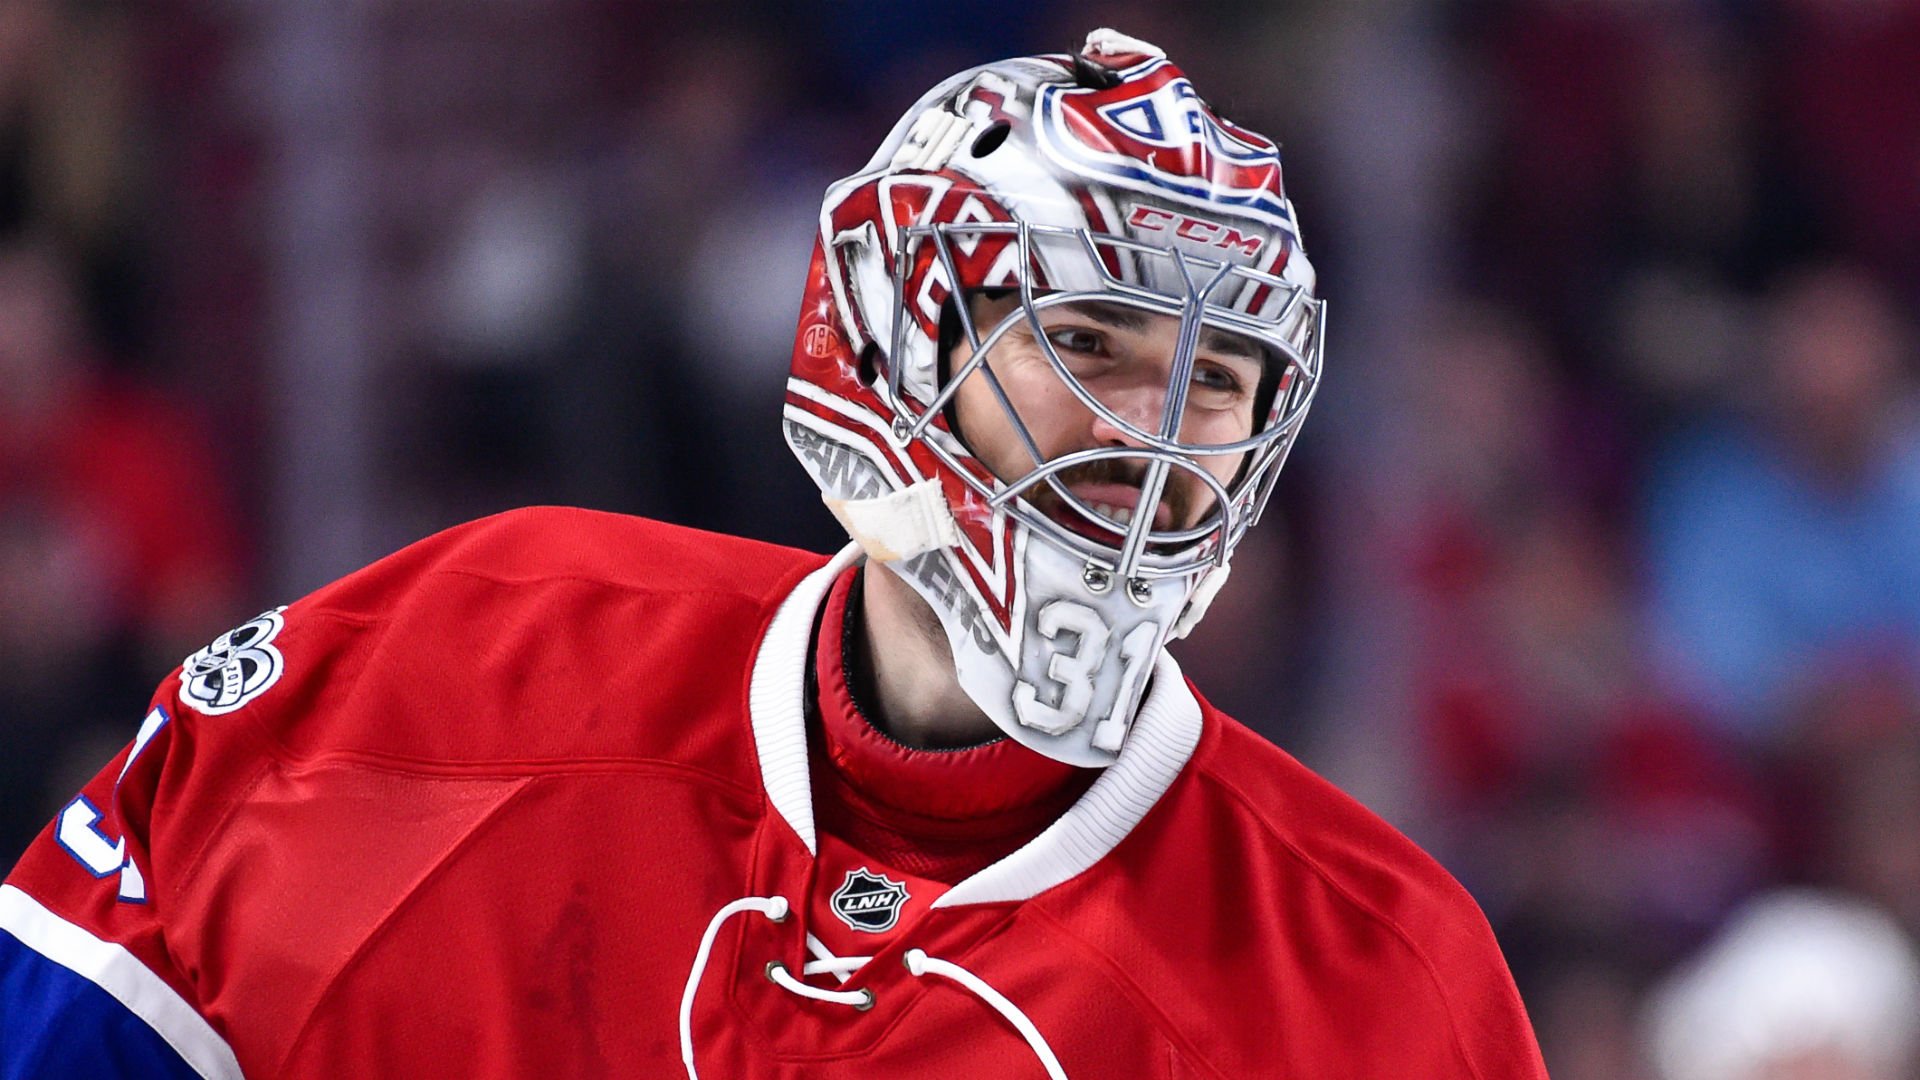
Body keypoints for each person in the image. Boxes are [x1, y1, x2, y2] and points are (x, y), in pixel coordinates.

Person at [0, 31, 1545, 1078]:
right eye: (1088, 340)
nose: (1152, 432)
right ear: (888, 334)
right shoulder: (456, 662)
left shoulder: (1381, 987)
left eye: (1216, 381)